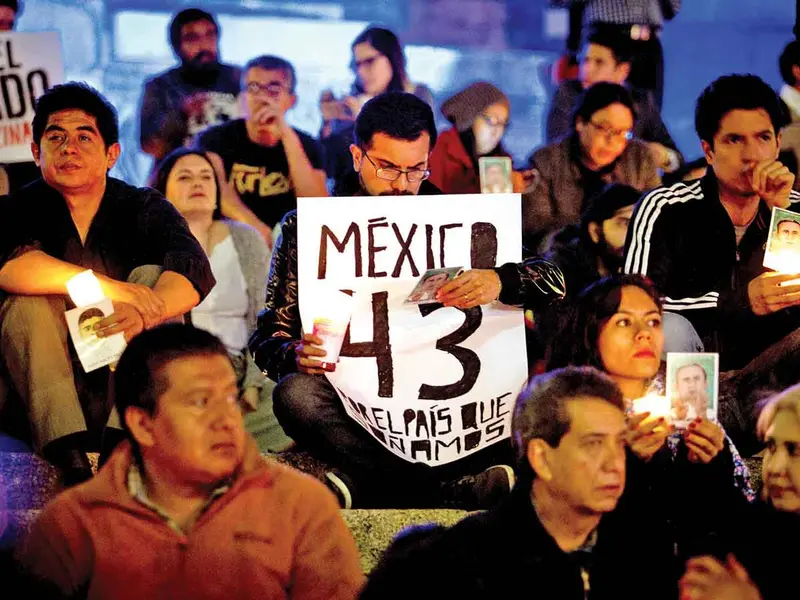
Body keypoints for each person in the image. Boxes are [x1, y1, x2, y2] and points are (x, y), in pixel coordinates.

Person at [250, 91, 565, 508]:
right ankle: (443, 492)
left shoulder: (459, 221)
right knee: (294, 395)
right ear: (357, 156)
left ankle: (372, 486)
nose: (401, 184)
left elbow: (554, 281)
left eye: (416, 169)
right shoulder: (310, 228)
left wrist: (500, 280)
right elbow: (268, 336)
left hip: (454, 410)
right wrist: (295, 353)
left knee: (527, 398)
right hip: (360, 411)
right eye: (387, 167)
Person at [16, 324, 363, 600]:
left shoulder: (301, 508)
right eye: (199, 402)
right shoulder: (73, 526)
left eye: (229, 397)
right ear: (142, 424)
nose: (226, 419)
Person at [0, 82, 215, 486]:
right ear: (35, 152)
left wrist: (143, 311)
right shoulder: (14, 208)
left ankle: (124, 445)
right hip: (34, 397)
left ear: (112, 154)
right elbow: (10, 268)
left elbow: (193, 273)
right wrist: (111, 287)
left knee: (155, 282)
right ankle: (70, 458)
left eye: (84, 137)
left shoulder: (144, 206)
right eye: (55, 137)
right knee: (26, 301)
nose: (69, 148)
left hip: (125, 384)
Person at [359, 366, 677, 600]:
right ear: (542, 457)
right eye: (593, 444)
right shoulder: (450, 566)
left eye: (620, 444)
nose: (614, 463)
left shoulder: (640, 554)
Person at [623, 74, 799, 372]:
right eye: (734, 140)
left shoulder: (793, 207)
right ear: (708, 150)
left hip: (774, 370)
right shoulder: (666, 207)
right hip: (692, 369)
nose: (752, 156)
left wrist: (780, 212)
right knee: (666, 328)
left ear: (778, 143)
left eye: (763, 138)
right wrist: (739, 301)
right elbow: (633, 305)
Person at [544, 274, 752, 500]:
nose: (644, 333)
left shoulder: (683, 400)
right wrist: (629, 461)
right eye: (624, 322)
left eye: (653, 321)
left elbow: (735, 513)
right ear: (591, 333)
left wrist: (710, 463)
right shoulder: (566, 415)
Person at [150, 147, 292, 453]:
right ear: (163, 192)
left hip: (244, 367)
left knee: (290, 398)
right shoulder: (151, 243)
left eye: (206, 177)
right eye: (185, 177)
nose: (198, 184)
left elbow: (264, 318)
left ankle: (221, 439)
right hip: (184, 368)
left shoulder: (246, 238)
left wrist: (253, 384)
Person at [679, 384, 800, 600]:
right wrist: (709, 461)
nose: (774, 467)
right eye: (771, 447)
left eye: (795, 450)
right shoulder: (765, 526)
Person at [195, 55, 327, 248]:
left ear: (291, 100)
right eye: (253, 88)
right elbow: (217, 191)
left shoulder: (309, 145)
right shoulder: (214, 139)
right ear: (242, 97)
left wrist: (285, 134)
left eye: (274, 89)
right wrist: (258, 231)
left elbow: (317, 206)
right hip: (232, 238)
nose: (263, 98)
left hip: (291, 243)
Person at [524, 82, 660, 254]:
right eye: (605, 129)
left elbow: (654, 216)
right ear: (581, 122)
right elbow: (536, 230)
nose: (612, 142)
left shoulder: (639, 158)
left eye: (622, 133)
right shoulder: (546, 162)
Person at [546, 25, 682, 173]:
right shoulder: (569, 93)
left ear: (622, 71)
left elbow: (677, 158)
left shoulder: (641, 101)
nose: (587, 70)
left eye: (599, 62)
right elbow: (558, 146)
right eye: (585, 61)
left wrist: (665, 157)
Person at [319, 26, 434, 181]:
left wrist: (364, 120)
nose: (361, 72)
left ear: (391, 58)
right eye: (357, 64)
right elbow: (330, 165)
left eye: (369, 61)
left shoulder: (418, 95)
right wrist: (327, 124)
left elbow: (412, 153)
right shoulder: (352, 99)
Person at [139, 9, 241, 165]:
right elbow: (150, 147)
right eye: (192, 38)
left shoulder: (240, 79)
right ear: (176, 46)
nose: (204, 45)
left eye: (210, 35)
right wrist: (181, 114)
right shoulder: (160, 86)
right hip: (181, 177)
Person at [560, 2, 682, 111]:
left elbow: (672, 9)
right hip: (603, 40)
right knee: (598, 110)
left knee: (648, 115)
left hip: (647, 44)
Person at [428, 81, 532, 194]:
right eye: (492, 121)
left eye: (503, 124)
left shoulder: (502, 160)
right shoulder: (439, 153)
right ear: (470, 119)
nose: (497, 131)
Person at [543, 182, 639, 297]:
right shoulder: (560, 271)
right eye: (626, 223)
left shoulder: (651, 267)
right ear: (594, 231)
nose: (636, 234)